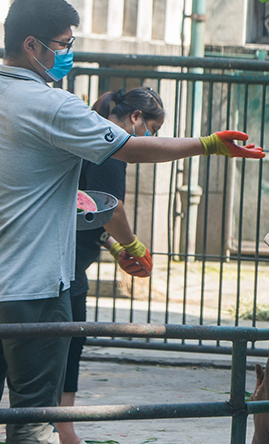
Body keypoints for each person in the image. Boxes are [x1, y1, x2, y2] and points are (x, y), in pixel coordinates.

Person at [0, 0, 265, 444]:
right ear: (32, 45)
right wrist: (208, 144)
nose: (69, 53)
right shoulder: (53, 105)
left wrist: (116, 245)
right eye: (64, 44)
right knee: (32, 423)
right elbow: (134, 148)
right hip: (32, 290)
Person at [54, 87, 166, 444]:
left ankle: (55, 425)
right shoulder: (112, 147)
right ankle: (61, 428)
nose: (152, 138)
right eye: (152, 129)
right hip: (63, 266)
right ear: (135, 119)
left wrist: (114, 248)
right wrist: (132, 244)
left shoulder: (90, 137)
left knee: (64, 341)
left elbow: (86, 208)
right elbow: (112, 209)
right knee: (66, 343)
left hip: (65, 258)